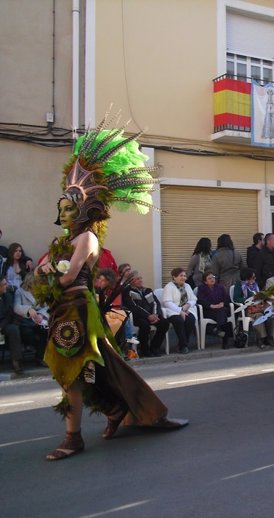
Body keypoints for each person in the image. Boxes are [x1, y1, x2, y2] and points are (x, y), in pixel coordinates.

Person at [34, 123, 186, 461]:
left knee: (75, 372)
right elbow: (40, 271)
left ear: (85, 209)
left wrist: (50, 273)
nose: (63, 209)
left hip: (77, 308)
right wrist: (45, 271)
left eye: (70, 204)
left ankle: (73, 438)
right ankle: (117, 408)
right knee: (95, 368)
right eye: (63, 202)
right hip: (62, 309)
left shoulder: (86, 238)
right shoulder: (64, 240)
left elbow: (67, 275)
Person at [122, 270, 170, 357]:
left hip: (152, 316)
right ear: (131, 281)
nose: (140, 280)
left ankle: (155, 348)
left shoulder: (147, 290)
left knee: (165, 323)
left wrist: (155, 315)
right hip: (139, 317)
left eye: (141, 278)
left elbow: (156, 303)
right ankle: (144, 350)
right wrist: (148, 316)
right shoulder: (128, 292)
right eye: (137, 279)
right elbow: (134, 307)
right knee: (144, 326)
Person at [14, 273, 50, 366]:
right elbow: (16, 307)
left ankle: (40, 358)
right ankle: (36, 353)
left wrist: (41, 314)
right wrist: (28, 309)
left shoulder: (41, 292)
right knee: (28, 333)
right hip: (25, 321)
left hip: (40, 320)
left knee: (45, 332)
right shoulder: (20, 292)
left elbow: (47, 306)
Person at [233, 267, 274, 346]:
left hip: (259, 307)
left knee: (270, 315)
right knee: (259, 316)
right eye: (253, 277)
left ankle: (269, 338)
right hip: (248, 309)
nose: (255, 279)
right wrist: (249, 300)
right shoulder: (239, 285)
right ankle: (261, 339)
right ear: (247, 278)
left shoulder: (255, 285)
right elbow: (236, 298)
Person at [161, 268, 197, 354]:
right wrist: (180, 310)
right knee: (179, 320)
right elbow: (167, 302)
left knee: (191, 320)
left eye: (185, 276)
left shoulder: (187, 286)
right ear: (174, 277)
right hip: (173, 311)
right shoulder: (169, 287)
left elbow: (193, 299)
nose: (184, 278)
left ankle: (181, 344)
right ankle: (184, 345)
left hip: (187, 309)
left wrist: (188, 305)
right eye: (181, 276)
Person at [196, 270, 233, 348]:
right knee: (222, 315)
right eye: (209, 278)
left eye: (213, 277)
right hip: (209, 311)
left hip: (221, 309)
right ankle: (225, 340)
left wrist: (222, 303)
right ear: (205, 281)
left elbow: (227, 298)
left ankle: (218, 330)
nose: (212, 279)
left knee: (222, 311)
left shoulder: (220, 287)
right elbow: (200, 300)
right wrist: (211, 306)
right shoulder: (201, 288)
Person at [0, 275, 23, 374]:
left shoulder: (8, 295)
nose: (6, 286)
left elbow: (10, 314)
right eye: (4, 284)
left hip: (4, 323)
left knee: (13, 329)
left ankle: (15, 361)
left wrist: (1, 326)